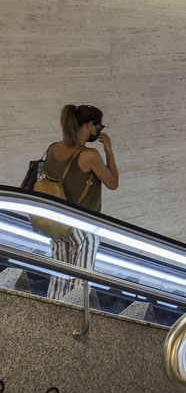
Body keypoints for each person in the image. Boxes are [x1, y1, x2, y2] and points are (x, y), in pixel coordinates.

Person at [41, 104, 118, 300]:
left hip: (57, 222)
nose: (98, 131)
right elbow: (112, 183)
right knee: (80, 281)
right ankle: (74, 323)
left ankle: (51, 316)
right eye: (98, 127)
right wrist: (108, 150)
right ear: (89, 126)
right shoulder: (89, 155)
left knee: (58, 278)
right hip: (83, 226)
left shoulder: (53, 148)